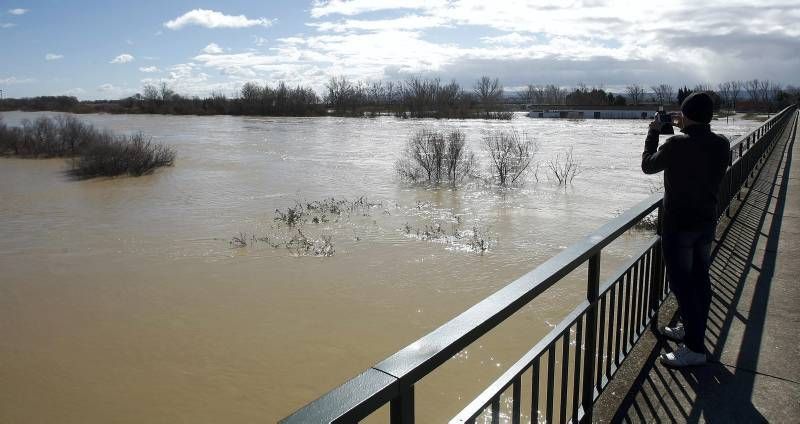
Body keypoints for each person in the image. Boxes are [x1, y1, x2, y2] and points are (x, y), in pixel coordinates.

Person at [641, 92, 730, 367]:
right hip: (706, 222)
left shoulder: (676, 144)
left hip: (679, 226)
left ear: (686, 115)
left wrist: (654, 133)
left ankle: (694, 349)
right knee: (700, 281)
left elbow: (648, 165)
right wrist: (687, 125)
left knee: (682, 285)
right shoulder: (722, 143)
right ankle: (690, 330)